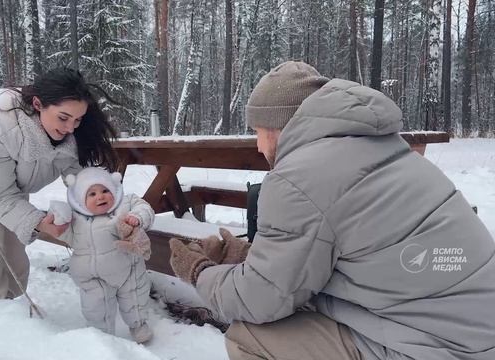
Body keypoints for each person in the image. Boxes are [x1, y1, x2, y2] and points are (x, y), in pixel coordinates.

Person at [169, 61, 495, 359]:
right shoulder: (383, 149)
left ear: (275, 126)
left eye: (257, 132)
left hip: (435, 348)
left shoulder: (299, 177)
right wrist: (245, 259)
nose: (257, 145)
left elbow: (260, 303)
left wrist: (200, 272)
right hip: (472, 333)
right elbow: (340, 255)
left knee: (247, 336)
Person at [0, 67, 118, 303]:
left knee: (15, 255)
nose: (71, 128)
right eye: (63, 118)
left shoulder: (69, 129)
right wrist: (39, 222)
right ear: (38, 104)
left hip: (4, 180)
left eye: (77, 119)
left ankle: (15, 318)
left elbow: (80, 178)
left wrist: (107, 210)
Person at [55, 167, 154, 343]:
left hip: (126, 270)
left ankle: (138, 326)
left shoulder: (124, 205)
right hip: (91, 276)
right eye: (91, 194)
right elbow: (62, 233)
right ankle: (101, 337)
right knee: (95, 307)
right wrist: (59, 219)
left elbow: (144, 207)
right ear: (80, 200)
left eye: (105, 190)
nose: (100, 196)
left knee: (134, 299)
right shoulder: (76, 219)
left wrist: (136, 217)